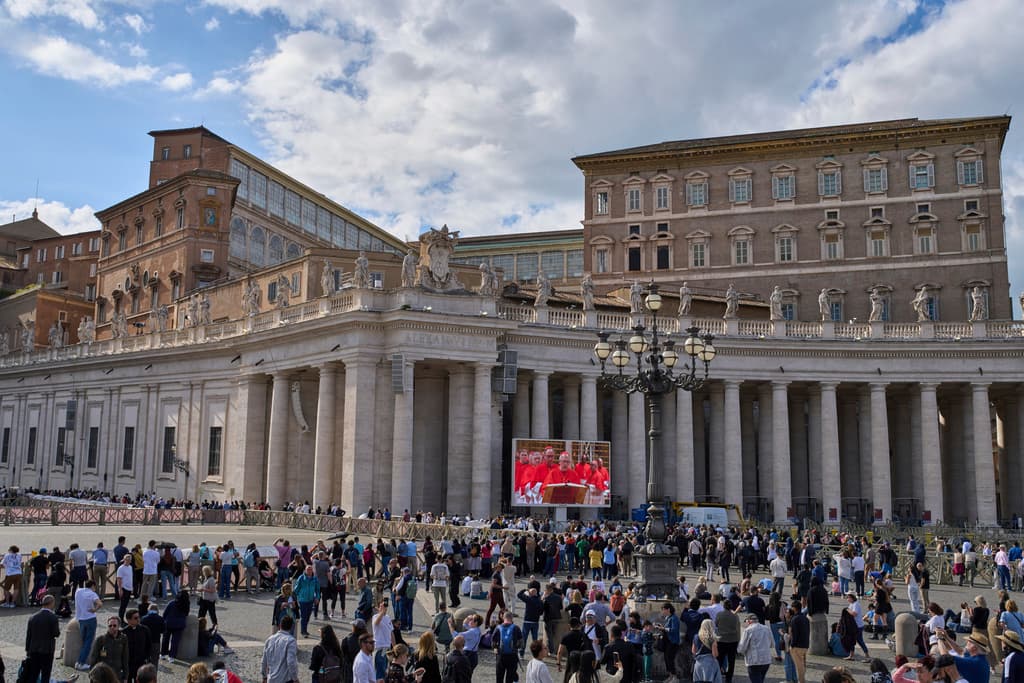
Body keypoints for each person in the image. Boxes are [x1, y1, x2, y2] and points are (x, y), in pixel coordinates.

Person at [24, 594, 61, 683]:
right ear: (51, 603)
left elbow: (29, 635)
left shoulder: (33, 617)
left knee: (33, 675)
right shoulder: (53, 617)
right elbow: (56, 634)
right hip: (47, 650)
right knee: (45, 675)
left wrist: (27, 650)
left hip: (34, 650)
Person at [75, 579, 103, 670]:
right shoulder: (92, 594)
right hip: (90, 619)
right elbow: (100, 604)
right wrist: (94, 610)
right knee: (88, 642)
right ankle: (81, 663)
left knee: (84, 642)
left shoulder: (78, 591)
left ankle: (78, 662)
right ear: (93, 586)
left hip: (80, 619)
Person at [90, 615, 130, 680]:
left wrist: (125, 677)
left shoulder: (123, 639)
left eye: (114, 625)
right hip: (103, 675)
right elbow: (94, 658)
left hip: (117, 675)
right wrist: (92, 676)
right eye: (110, 626)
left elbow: (125, 658)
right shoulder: (101, 639)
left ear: (119, 626)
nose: (112, 627)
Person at [261, 614, 299, 683]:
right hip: (285, 680)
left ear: (280, 625)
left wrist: (264, 676)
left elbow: (264, 661)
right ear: (291, 627)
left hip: (271, 679)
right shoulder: (291, 641)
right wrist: (295, 679)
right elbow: (291, 662)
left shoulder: (269, 639)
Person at [737, 614, 772, 683]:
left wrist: (739, 651)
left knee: (756, 680)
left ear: (749, 621)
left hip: (754, 661)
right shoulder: (766, 628)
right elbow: (772, 643)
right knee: (760, 680)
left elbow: (741, 648)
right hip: (766, 660)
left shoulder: (748, 630)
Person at [121, 608, 152, 683]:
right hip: (128, 664)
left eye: (139, 617)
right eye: (135, 618)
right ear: (128, 620)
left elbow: (149, 645)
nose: (138, 619)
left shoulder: (145, 630)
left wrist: (147, 658)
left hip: (140, 663)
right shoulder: (123, 632)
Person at [494, 611, 524, 683]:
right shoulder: (516, 628)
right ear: (512, 618)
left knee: (499, 678)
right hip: (512, 656)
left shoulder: (498, 628)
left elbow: (493, 642)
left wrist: (496, 648)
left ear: (503, 618)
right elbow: (521, 644)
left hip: (501, 656)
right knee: (510, 678)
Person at [160, 590, 190, 662]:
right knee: (175, 641)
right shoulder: (186, 605)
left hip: (169, 623)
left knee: (165, 639)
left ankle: (163, 654)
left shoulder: (172, 603)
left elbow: (165, 613)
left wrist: (163, 621)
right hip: (179, 625)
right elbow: (186, 614)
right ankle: (172, 656)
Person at [295, 563, 322, 637]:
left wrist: (317, 597)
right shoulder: (301, 578)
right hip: (302, 600)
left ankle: (305, 629)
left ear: (312, 570)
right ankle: (303, 631)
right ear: (305, 570)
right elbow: (296, 588)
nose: (309, 571)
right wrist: (295, 596)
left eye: (310, 569)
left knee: (308, 616)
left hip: (311, 600)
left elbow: (317, 590)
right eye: (308, 569)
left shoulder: (315, 579)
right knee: (304, 616)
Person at [788, 603, 810, 683]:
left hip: (797, 646)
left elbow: (794, 634)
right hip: (805, 644)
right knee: (802, 664)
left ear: (794, 608)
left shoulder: (794, 619)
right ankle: (802, 680)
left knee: (799, 666)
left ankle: (801, 681)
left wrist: (792, 645)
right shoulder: (805, 618)